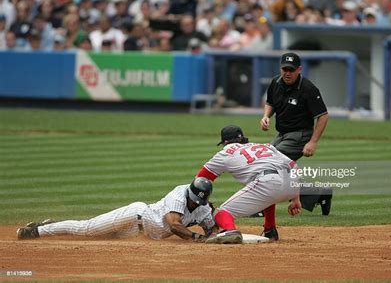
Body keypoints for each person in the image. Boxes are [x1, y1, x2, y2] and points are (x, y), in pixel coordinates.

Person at [17, 178, 217, 242]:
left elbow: (211, 230)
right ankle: (36, 230)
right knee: (86, 229)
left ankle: (54, 226)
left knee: (98, 238)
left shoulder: (204, 208)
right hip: (135, 216)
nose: (194, 205)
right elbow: (174, 225)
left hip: (138, 232)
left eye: (197, 203)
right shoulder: (178, 194)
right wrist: (198, 239)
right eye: (192, 201)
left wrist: (215, 235)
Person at [196, 125, 302, 244]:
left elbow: (201, 178)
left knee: (221, 213)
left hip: (268, 181)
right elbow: (294, 167)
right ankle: (270, 230)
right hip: (290, 184)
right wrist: (296, 198)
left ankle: (231, 231)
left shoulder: (225, 152)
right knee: (265, 196)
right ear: (242, 139)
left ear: (225, 142)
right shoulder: (265, 146)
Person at [260, 52, 331, 215]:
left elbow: (323, 116)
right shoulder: (275, 82)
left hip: (300, 135)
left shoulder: (308, 88)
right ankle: (318, 194)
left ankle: (263, 206)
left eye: (291, 69)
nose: (287, 73)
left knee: (270, 164)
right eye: (285, 69)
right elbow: (270, 102)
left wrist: (312, 142)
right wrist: (266, 117)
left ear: (299, 69)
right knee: (265, 161)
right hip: (282, 134)